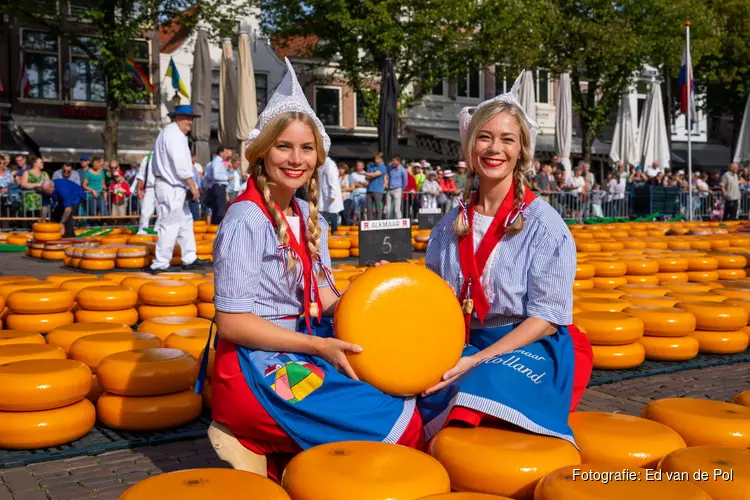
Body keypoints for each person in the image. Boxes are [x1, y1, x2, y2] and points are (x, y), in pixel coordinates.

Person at [202, 58, 423, 481]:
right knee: (392, 419)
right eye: (284, 146)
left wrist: (368, 292)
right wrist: (321, 349)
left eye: (306, 149)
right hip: (259, 364)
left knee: (404, 390)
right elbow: (231, 324)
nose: (296, 159)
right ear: (262, 150)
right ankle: (253, 438)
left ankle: (285, 456)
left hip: (301, 343)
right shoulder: (245, 219)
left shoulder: (303, 211)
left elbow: (322, 298)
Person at [417, 72, 593, 447]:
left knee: (479, 383)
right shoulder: (448, 226)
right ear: (469, 148)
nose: (494, 149)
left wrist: (475, 361)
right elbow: (434, 297)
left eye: (506, 139)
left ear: (521, 151)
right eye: (484, 137)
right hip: (461, 341)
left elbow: (546, 319)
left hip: (525, 344)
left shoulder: (545, 225)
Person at [149, 105, 210, 273]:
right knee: (169, 224)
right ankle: (160, 263)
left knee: (185, 221)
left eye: (191, 118)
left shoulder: (168, 133)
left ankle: (189, 257)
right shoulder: (175, 135)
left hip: (172, 185)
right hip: (172, 186)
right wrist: (193, 186)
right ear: (177, 118)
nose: (190, 122)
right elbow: (181, 164)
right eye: (186, 118)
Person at [204, 146, 232, 225]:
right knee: (220, 210)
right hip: (219, 187)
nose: (226, 155)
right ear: (221, 153)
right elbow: (215, 176)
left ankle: (216, 227)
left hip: (219, 187)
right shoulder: (217, 161)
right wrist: (226, 178)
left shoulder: (219, 161)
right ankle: (218, 227)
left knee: (217, 209)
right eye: (225, 153)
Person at [135, 152, 160, 234]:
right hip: (150, 188)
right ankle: (142, 230)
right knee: (145, 211)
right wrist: (139, 189)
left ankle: (158, 230)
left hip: (163, 188)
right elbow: (141, 175)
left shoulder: (167, 156)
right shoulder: (147, 158)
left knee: (163, 212)